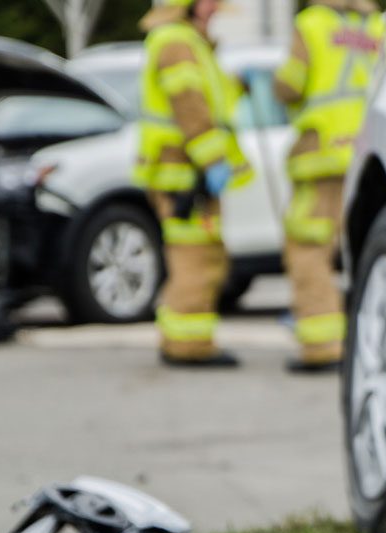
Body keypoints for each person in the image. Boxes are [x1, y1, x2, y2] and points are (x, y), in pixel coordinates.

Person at [135, 0, 253, 368]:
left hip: (186, 173)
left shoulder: (188, 42)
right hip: (184, 175)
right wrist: (213, 160)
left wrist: (239, 86)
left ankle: (183, 340)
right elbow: (189, 105)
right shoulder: (177, 42)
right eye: (208, 3)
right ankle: (188, 345)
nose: (214, 10)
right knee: (195, 259)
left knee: (198, 256)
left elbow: (210, 99)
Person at [274, 0, 385, 373]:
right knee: (361, 251)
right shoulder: (376, 26)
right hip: (366, 153)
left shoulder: (313, 24)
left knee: (307, 248)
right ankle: (365, 345)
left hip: (322, 154)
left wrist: (270, 84)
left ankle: (323, 344)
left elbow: (291, 85)